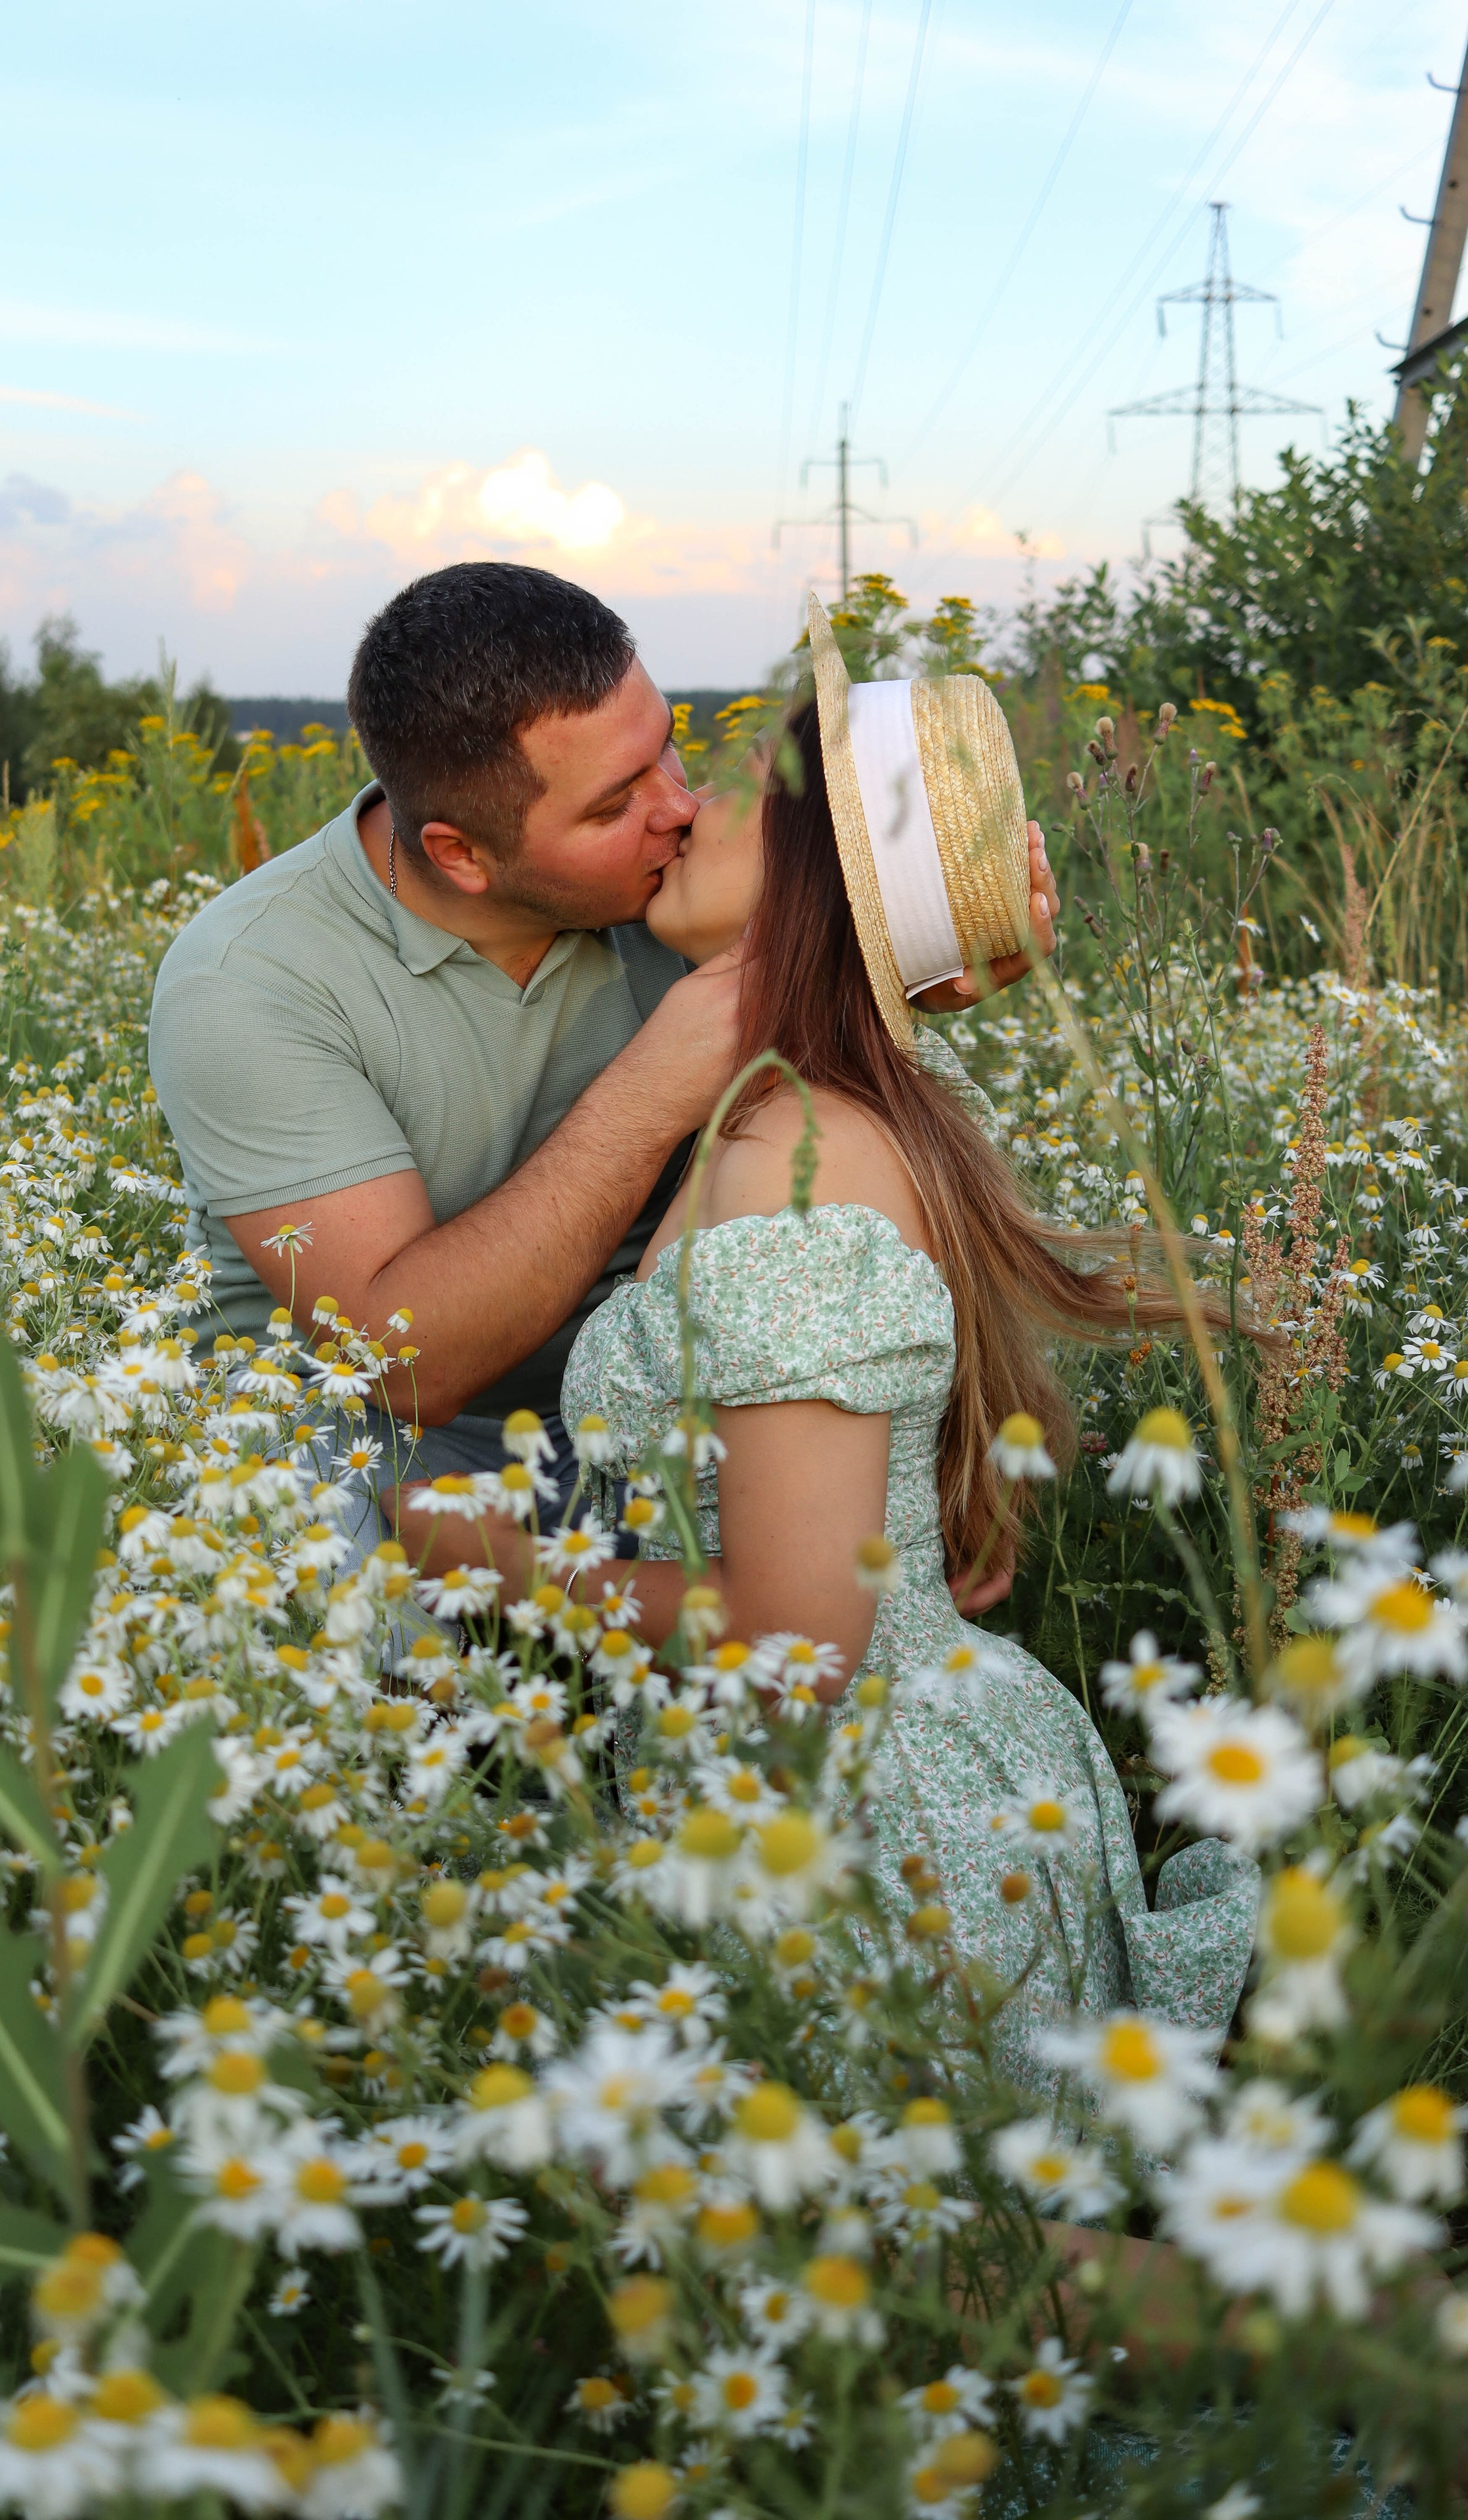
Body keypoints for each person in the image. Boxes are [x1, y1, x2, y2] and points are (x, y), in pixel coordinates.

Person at [403, 595, 1259, 2073]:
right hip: (892, 1771)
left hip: (863, 1827)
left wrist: (479, 1557)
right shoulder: (828, 1115)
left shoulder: (788, 1166)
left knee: (910, 2209)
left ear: (808, 870)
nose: (685, 810)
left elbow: (799, 1640)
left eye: (743, 786)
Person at [148, 562, 1051, 1608]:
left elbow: (854, 1167)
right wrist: (654, 1088)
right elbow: (401, 1369)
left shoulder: (679, 896)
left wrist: (909, 966)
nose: (678, 807)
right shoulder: (253, 979)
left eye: (666, 744)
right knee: (348, 1643)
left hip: (639, 1436)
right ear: (462, 855)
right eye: (616, 803)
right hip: (363, 1446)